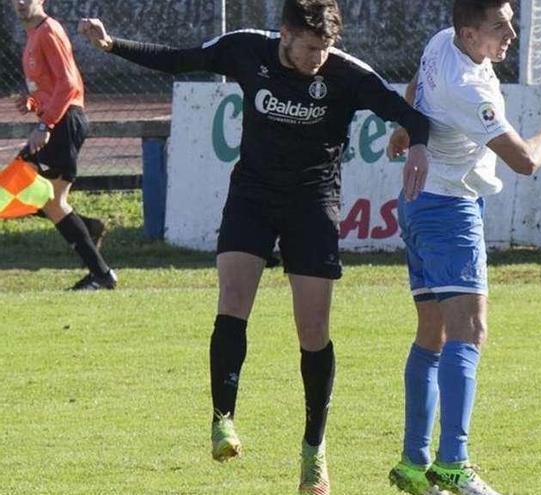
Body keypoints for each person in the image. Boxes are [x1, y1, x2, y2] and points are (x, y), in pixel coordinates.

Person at [78, 1, 430, 493]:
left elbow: (410, 114)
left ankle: (314, 451)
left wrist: (413, 139)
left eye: (326, 48)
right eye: (311, 48)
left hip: (312, 203)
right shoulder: (246, 48)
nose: (319, 59)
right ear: (285, 34)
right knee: (233, 302)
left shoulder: (347, 74)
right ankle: (223, 418)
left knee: (312, 330)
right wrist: (113, 44)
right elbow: (181, 59)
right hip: (253, 197)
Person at [385, 1, 541, 494]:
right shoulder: (469, 89)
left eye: (510, 19)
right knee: (469, 330)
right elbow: (525, 161)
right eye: (499, 26)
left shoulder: (440, 43)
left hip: (419, 202)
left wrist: (407, 127)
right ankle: (453, 463)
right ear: (469, 34)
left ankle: (412, 462)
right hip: (449, 210)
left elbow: (414, 92)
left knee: (432, 334)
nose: (511, 32)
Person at [12, 0, 115, 291]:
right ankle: (88, 235)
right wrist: (33, 102)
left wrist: (46, 125)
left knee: (41, 197)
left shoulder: (48, 31)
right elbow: (53, 86)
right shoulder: (33, 34)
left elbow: (69, 85)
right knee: (39, 197)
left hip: (63, 123)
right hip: (58, 121)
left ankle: (101, 274)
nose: (20, 2)